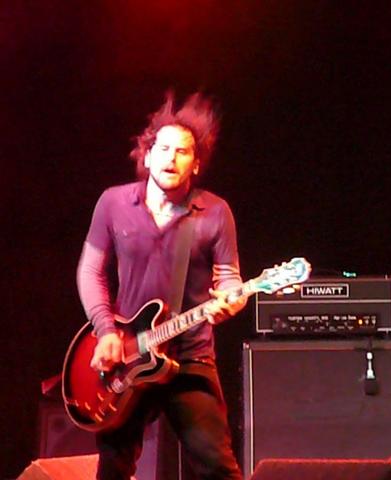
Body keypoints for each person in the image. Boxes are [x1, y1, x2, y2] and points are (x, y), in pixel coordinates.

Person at [76, 91, 246, 479]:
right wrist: (106, 331)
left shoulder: (215, 212)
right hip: (128, 356)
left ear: (195, 164)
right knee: (113, 468)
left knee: (218, 467)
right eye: (163, 149)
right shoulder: (113, 203)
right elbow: (90, 271)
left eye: (182, 151)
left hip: (190, 357)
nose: (171, 158)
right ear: (148, 156)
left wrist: (231, 301)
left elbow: (229, 279)